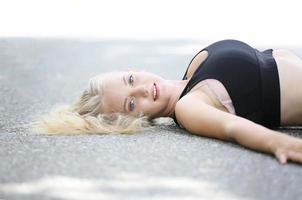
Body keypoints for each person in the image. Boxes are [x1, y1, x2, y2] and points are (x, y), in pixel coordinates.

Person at [34, 39, 302, 165]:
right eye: (131, 104)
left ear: (133, 68)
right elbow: (233, 128)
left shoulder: (195, 68)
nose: (141, 90)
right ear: (134, 119)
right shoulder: (188, 107)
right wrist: (282, 144)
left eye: (130, 79)